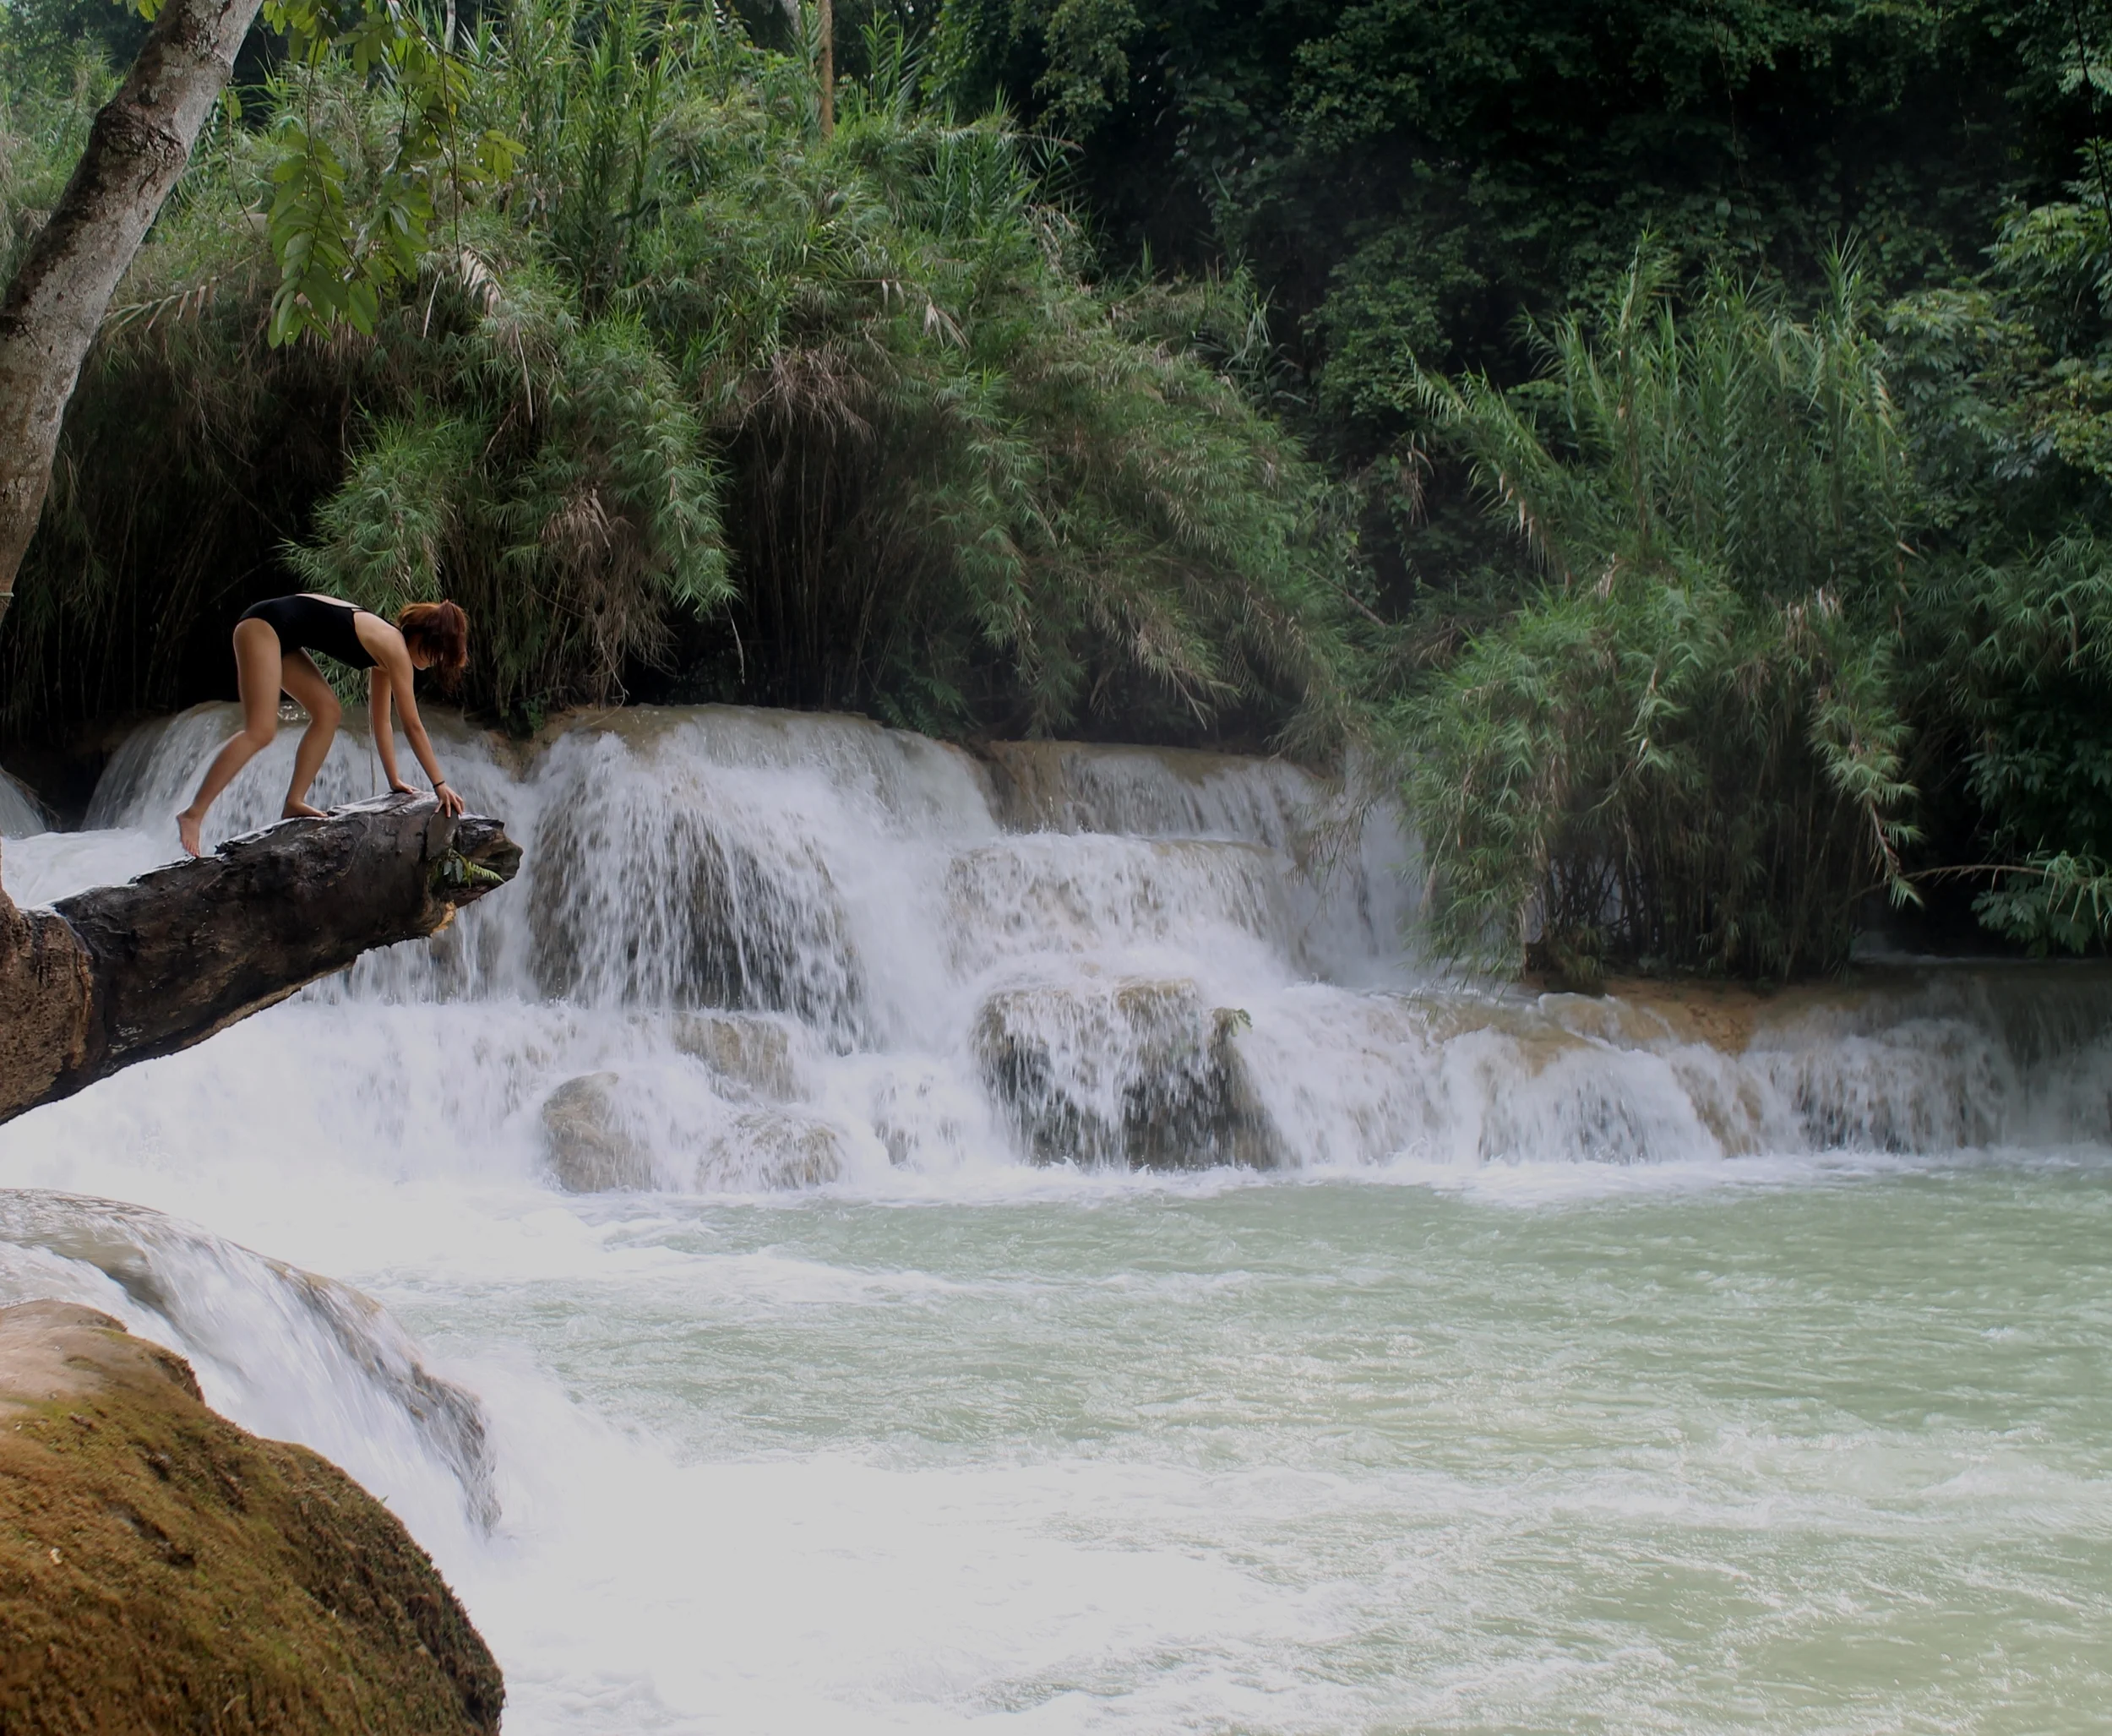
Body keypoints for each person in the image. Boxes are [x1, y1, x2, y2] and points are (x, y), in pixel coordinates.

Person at [177, 595, 470, 857]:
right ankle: (193, 814)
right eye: (434, 653)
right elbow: (412, 725)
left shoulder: (387, 652)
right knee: (261, 731)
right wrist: (440, 785)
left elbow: (381, 721)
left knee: (328, 711)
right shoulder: (395, 649)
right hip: (262, 627)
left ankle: (294, 801)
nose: (434, 662)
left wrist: (394, 780)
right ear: (420, 636)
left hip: (282, 635)